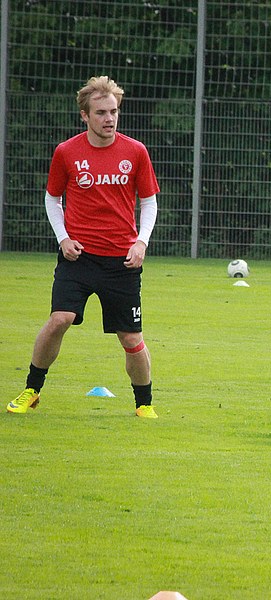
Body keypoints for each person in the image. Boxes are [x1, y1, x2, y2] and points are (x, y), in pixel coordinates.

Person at [7, 76, 161, 419]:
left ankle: (144, 404)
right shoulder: (67, 152)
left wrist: (141, 242)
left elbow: (149, 201)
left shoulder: (135, 151)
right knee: (59, 319)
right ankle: (32, 390)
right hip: (78, 258)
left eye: (114, 111)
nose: (109, 118)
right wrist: (63, 238)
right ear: (84, 115)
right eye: (101, 112)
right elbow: (52, 199)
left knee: (131, 338)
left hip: (121, 261)